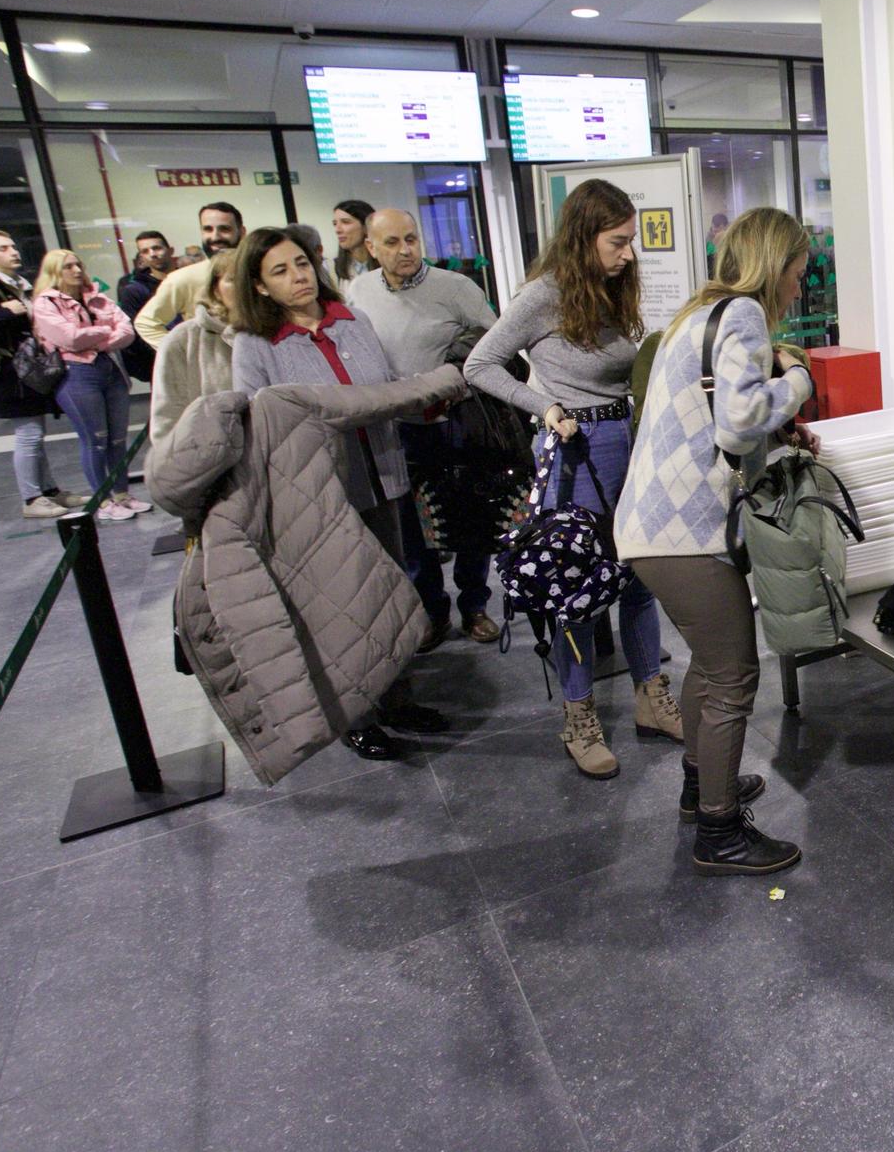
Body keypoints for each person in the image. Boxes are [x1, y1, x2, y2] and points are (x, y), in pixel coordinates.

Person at [613, 206, 815, 874]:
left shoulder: (698, 314)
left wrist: (776, 425)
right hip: (683, 533)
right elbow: (737, 422)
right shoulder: (745, 315)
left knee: (707, 661)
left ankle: (704, 789)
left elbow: (716, 413)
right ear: (774, 266)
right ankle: (721, 832)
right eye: (796, 275)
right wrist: (799, 382)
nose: (798, 290)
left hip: (651, 527)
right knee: (734, 673)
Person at [467, 179, 684, 775]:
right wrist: (544, 407)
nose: (629, 254)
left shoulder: (608, 288)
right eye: (618, 242)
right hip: (575, 451)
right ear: (584, 236)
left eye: (631, 241)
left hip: (625, 444)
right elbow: (479, 363)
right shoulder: (543, 295)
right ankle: (579, 716)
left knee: (639, 578)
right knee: (576, 591)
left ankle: (650, 696)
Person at [230, 225, 416, 761]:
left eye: (302, 264)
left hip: (382, 472)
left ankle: (400, 700)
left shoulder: (350, 321)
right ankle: (358, 716)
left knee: (393, 594)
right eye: (280, 271)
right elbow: (256, 420)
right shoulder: (256, 342)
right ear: (259, 286)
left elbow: (383, 386)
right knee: (345, 606)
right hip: (321, 491)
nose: (298, 278)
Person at [349, 208, 502, 648]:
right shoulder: (358, 291)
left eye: (411, 239)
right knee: (412, 528)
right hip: (394, 427)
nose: (406, 250)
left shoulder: (455, 288)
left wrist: (456, 369)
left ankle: (474, 605)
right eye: (393, 242)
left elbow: (494, 342)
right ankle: (432, 612)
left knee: (467, 518)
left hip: (452, 423)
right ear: (372, 248)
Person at [0, 230, 81, 518]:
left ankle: (48, 491)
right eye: (3, 248)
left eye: (12, 246)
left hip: (25, 369)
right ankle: (32, 497)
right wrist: (4, 312)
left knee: (36, 433)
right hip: (9, 372)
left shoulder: (15, 284)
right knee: (29, 434)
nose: (13, 252)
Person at [30, 250, 146, 521]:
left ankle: (122, 494)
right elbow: (69, 338)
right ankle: (103, 501)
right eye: (68, 266)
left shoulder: (96, 297)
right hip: (76, 373)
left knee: (118, 439)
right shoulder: (46, 303)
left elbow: (126, 330)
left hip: (109, 368)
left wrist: (95, 339)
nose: (76, 270)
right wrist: (105, 331)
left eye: (77, 264)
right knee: (95, 441)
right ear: (55, 272)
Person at [146, 251, 237, 454]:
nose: (245, 287)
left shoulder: (280, 333)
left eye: (252, 279)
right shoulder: (184, 340)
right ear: (215, 287)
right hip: (215, 466)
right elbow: (167, 421)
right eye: (233, 279)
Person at [137, 201, 244, 347]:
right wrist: (183, 354)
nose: (215, 236)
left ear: (241, 231)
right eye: (208, 229)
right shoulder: (183, 278)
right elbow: (146, 323)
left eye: (224, 229)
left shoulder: (258, 271)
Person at [117, 229, 175, 383]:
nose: (153, 254)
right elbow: (137, 331)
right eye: (145, 251)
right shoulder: (134, 290)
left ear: (170, 250)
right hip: (162, 362)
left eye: (157, 248)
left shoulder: (187, 279)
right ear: (141, 257)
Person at [330, 199, 378, 284]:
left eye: (345, 222)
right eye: (335, 224)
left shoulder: (387, 263)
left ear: (366, 226)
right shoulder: (333, 269)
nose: (337, 230)